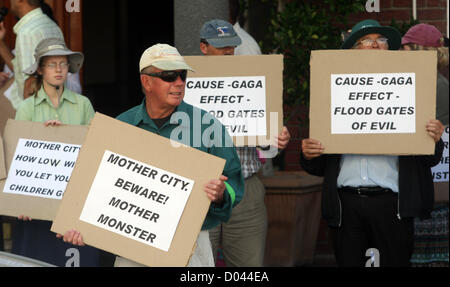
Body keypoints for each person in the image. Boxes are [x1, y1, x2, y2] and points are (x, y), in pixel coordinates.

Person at [60, 43, 245, 267]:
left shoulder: (207, 126)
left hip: (190, 246)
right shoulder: (122, 126)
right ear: (146, 81)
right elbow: (92, 185)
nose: (179, 83)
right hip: (132, 244)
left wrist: (221, 193)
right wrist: (78, 225)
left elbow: (234, 183)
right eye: (169, 76)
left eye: (182, 75)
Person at [300, 19, 445, 267]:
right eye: (367, 40)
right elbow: (317, 165)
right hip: (346, 206)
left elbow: (429, 159)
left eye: (382, 40)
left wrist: (434, 137)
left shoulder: (410, 86)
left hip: (393, 205)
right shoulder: (333, 90)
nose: (376, 45)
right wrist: (309, 153)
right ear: (352, 50)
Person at [200, 19, 291, 267]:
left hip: (246, 187)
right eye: (221, 46)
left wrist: (276, 138)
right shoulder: (184, 84)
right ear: (203, 47)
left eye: (232, 45)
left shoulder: (256, 83)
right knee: (198, 267)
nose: (229, 51)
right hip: (200, 191)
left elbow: (270, 149)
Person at [12, 38, 101, 266]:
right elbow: (18, 157)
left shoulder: (83, 105)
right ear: (40, 70)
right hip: (37, 202)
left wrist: (66, 136)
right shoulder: (26, 108)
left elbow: (94, 150)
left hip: (74, 199)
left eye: (63, 63)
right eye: (52, 64)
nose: (59, 69)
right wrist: (21, 203)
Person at [401, 23, 449, 267]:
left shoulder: (435, 85)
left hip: (432, 185)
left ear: (420, 49)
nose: (401, 52)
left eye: (406, 47)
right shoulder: (428, 81)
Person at [0, 0, 64, 110]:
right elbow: (21, 70)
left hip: (37, 114)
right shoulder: (53, 26)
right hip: (54, 108)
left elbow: (29, 85)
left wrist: (30, 121)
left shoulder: (27, 31)